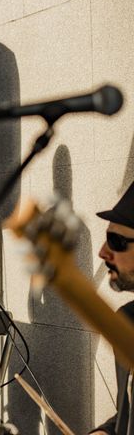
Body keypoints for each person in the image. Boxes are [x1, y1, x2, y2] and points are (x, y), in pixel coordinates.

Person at [91, 180, 134, 435]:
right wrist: (105, 432)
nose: (102, 252)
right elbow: (128, 414)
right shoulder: (126, 321)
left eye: (115, 241)